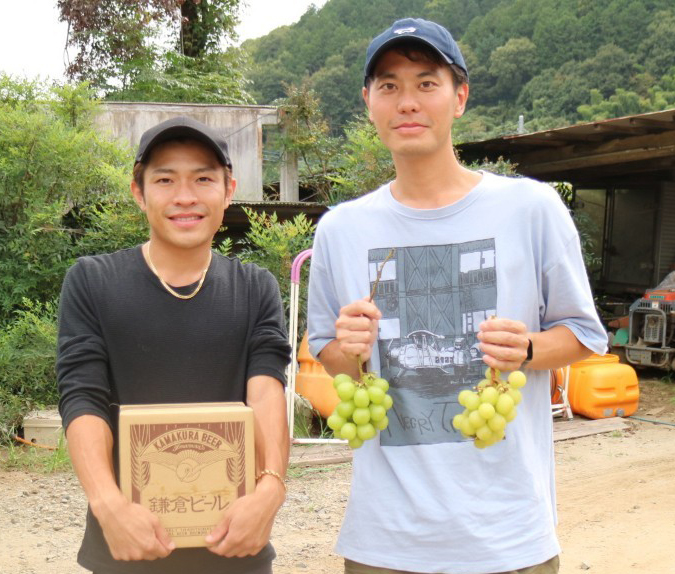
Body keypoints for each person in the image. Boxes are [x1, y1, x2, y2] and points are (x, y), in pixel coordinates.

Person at [307, 18, 607, 574]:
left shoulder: (531, 209)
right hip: (385, 543)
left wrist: (529, 351)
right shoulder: (341, 229)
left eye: (427, 83)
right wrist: (349, 349)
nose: (407, 102)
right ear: (368, 101)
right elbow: (330, 355)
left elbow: (586, 336)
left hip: (509, 536)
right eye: (390, 86)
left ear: (459, 97)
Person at [57, 116, 291, 574]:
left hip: (236, 546)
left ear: (228, 189)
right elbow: (82, 396)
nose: (185, 196)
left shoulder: (256, 288)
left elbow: (266, 390)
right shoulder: (92, 281)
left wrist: (270, 490)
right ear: (139, 192)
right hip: (126, 546)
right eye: (165, 179)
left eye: (203, 178)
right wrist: (108, 505)